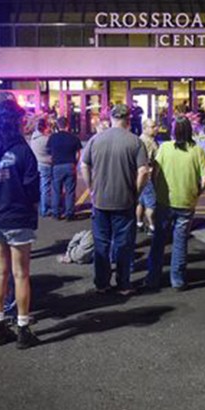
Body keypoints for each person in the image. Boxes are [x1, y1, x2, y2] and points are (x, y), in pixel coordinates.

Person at [0, 99, 41, 349]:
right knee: (21, 274)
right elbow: (32, 191)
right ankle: (23, 328)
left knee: (0, 272)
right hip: (18, 217)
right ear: (16, 121)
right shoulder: (23, 151)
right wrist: (31, 215)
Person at [80, 104, 149, 295]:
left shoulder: (96, 140)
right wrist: (136, 192)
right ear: (128, 120)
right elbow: (143, 171)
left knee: (101, 243)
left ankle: (102, 283)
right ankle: (123, 283)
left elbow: (84, 165)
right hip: (124, 200)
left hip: (100, 200)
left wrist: (91, 187)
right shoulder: (135, 142)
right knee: (123, 244)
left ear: (111, 119)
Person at [144, 116, 205, 291]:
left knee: (158, 241)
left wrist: (157, 191)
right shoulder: (197, 151)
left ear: (173, 131)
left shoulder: (165, 148)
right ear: (190, 131)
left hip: (165, 201)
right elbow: (204, 180)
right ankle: (178, 280)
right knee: (180, 241)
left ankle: (153, 278)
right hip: (186, 203)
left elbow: (155, 173)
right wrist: (196, 194)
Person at [47, 116, 82, 220]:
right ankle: (69, 213)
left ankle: (56, 213)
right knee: (70, 191)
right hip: (70, 165)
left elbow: (49, 153)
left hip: (57, 166)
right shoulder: (73, 138)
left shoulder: (53, 137)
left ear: (58, 125)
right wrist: (75, 163)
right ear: (67, 125)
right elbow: (78, 154)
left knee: (56, 190)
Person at [137, 116, 159, 235]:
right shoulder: (149, 142)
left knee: (140, 201)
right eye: (153, 127)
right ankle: (152, 226)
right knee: (151, 204)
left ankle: (139, 223)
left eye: (156, 126)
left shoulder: (140, 139)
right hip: (148, 176)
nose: (156, 128)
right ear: (144, 128)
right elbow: (154, 161)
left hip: (139, 175)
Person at [29, 117, 53, 217]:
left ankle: (41, 206)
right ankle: (45, 209)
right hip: (46, 165)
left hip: (37, 163)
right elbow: (52, 151)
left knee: (40, 187)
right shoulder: (46, 139)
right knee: (46, 188)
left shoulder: (33, 138)